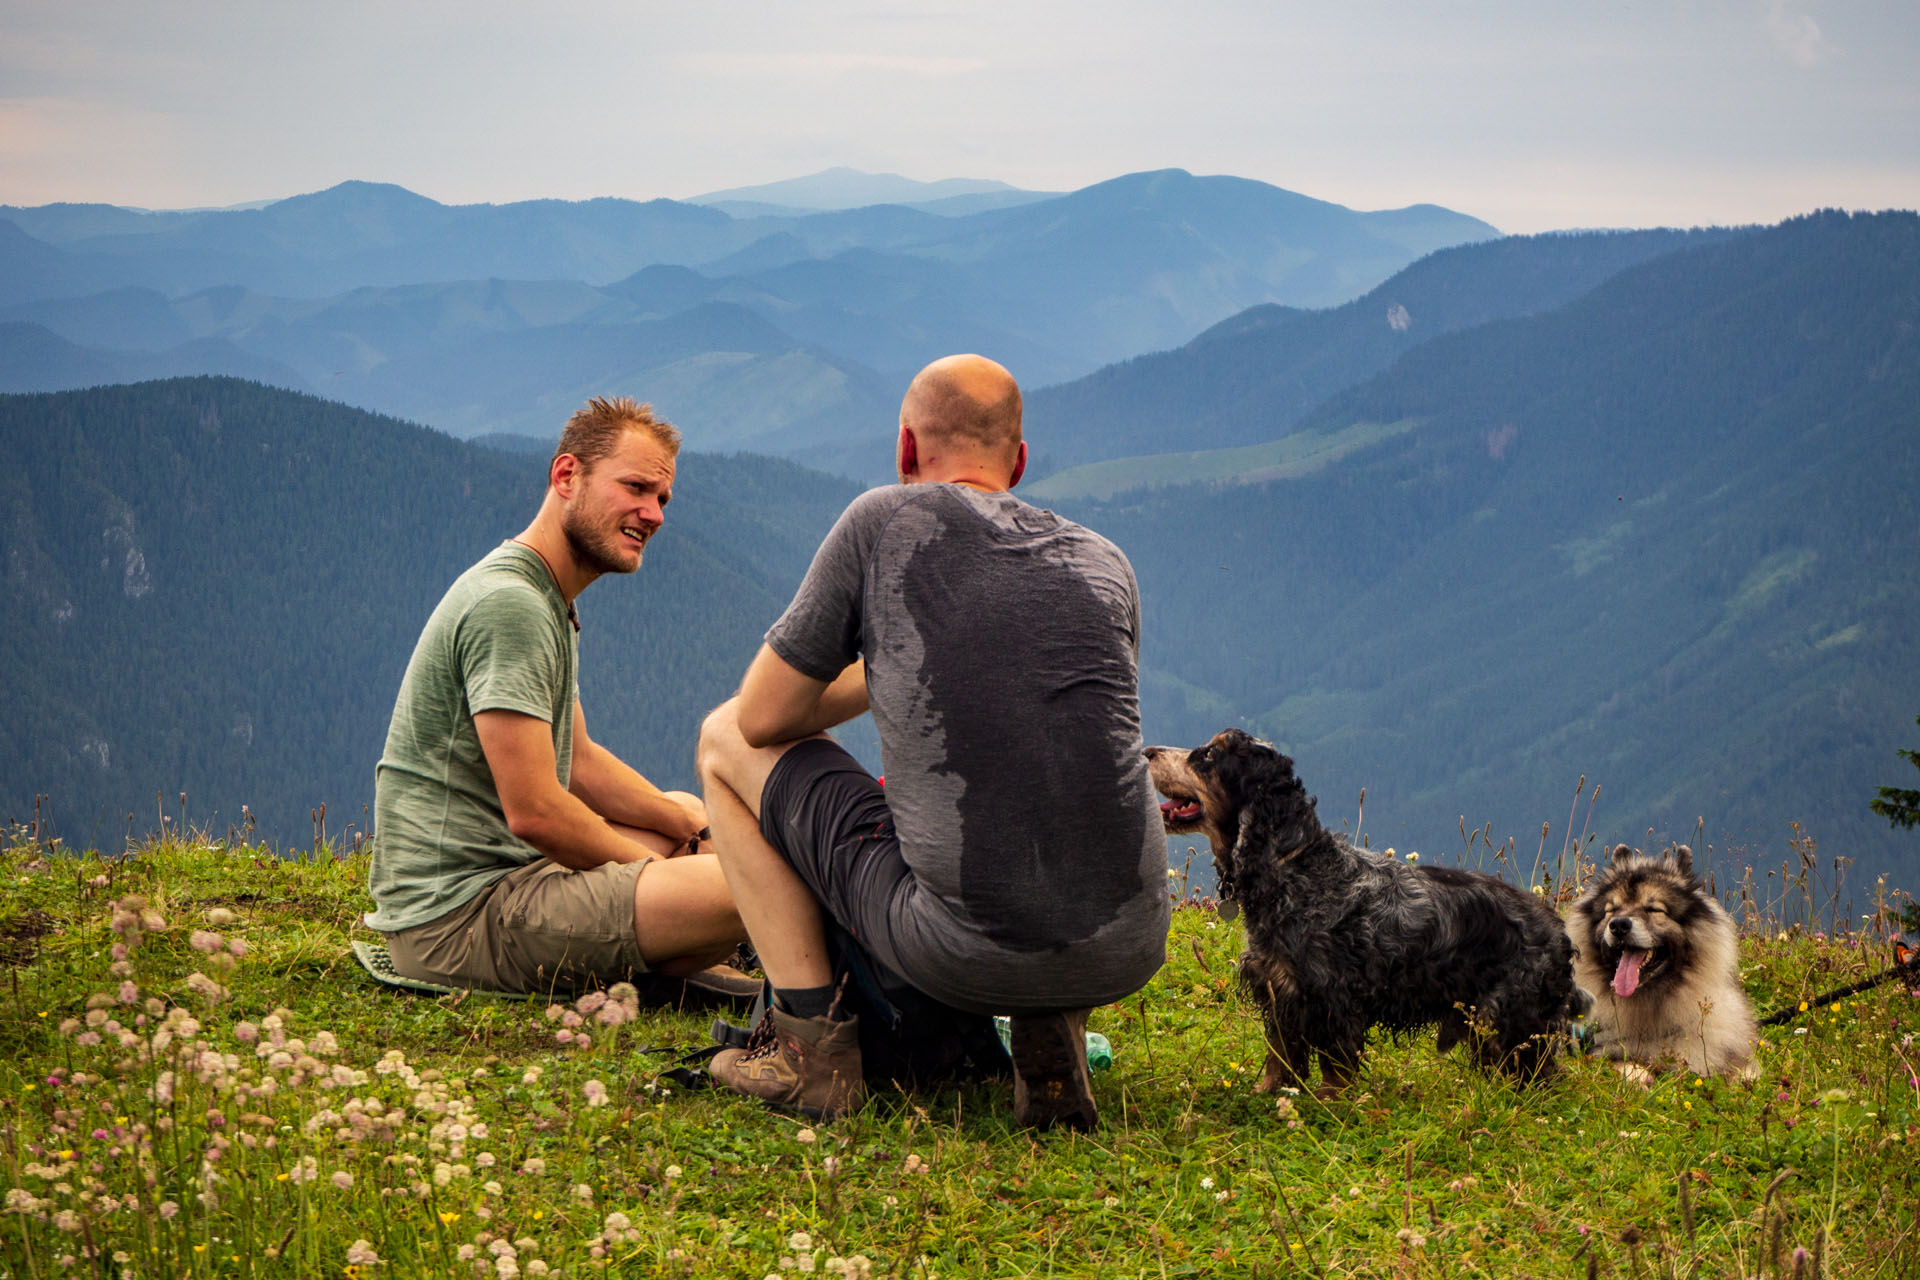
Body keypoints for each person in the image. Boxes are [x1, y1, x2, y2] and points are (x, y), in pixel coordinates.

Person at [696, 354, 1170, 1128]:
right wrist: (902, 661)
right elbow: (1069, 739)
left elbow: (762, 719)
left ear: (906, 451)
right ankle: (1052, 1024)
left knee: (721, 741)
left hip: (959, 945)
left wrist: (875, 655)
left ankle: (807, 1053)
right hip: (1127, 943)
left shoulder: (884, 521)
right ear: (1018, 461)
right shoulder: (1103, 559)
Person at [366, 396, 747, 999]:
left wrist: (692, 825)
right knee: (747, 888)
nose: (654, 514)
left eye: (662, 499)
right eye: (636, 488)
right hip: (459, 921)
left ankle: (664, 951)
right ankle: (671, 960)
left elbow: (580, 761)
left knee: (677, 813)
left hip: (504, 883)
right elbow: (536, 811)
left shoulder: (541, 595)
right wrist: (653, 875)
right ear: (567, 476)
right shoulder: (511, 606)